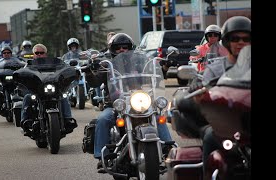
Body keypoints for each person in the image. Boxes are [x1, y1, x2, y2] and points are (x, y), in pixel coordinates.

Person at [84, 33, 173, 172]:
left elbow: (154, 75)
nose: (121, 50)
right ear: (112, 49)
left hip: (138, 100)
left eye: (124, 47)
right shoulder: (106, 64)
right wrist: (89, 71)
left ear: (130, 48)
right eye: (118, 47)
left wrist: (164, 66)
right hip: (116, 104)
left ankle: (168, 147)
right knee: (103, 119)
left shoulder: (138, 62)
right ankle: (103, 157)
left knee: (157, 115)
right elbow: (95, 81)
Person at [178, 16, 251, 177]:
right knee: (211, 136)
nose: (241, 42)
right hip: (226, 122)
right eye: (235, 38)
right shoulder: (215, 68)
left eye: (246, 39)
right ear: (226, 42)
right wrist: (197, 89)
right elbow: (199, 89)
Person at [20, 43, 77, 135]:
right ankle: (25, 122)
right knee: (27, 97)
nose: (39, 55)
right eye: (37, 53)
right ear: (34, 54)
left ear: (45, 53)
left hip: (53, 89)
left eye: (41, 52)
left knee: (63, 97)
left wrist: (70, 71)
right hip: (37, 91)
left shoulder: (54, 62)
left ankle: (67, 119)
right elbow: (23, 72)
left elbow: (64, 68)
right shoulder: (29, 64)